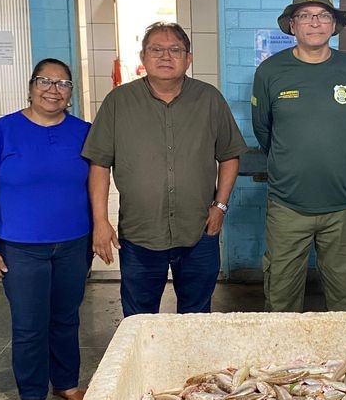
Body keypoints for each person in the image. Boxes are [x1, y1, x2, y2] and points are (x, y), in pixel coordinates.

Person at [84, 22, 247, 317]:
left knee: (196, 317)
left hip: (199, 231)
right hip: (140, 234)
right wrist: (100, 221)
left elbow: (230, 155)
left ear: (188, 58)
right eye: (156, 49)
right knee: (139, 319)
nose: (165, 56)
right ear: (143, 57)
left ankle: (193, 365)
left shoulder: (209, 99)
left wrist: (220, 207)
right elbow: (99, 163)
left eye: (175, 50)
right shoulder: (118, 102)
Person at [0, 59, 92, 400]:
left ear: (71, 92)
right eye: (45, 81)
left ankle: (66, 383)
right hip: (20, 247)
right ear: (31, 85)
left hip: (73, 244)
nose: (52, 89)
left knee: (66, 318)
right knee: (29, 322)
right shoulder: (0, 131)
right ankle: (32, 394)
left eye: (62, 83)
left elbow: (96, 183)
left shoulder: (83, 132)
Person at [251, 0, 346, 312]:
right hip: (288, 205)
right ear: (292, 25)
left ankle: (342, 362)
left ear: (334, 25)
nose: (315, 22)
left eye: (323, 16)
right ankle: (284, 361)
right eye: (305, 15)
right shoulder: (270, 71)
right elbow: (264, 129)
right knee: (281, 298)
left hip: (342, 205)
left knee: (344, 297)